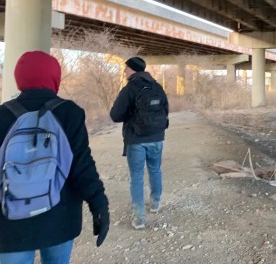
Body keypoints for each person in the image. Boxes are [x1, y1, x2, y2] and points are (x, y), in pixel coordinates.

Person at [0, 51, 109, 264]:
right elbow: (82, 166)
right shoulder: (69, 112)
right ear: (54, 77)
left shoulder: (2, 115)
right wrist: (99, 204)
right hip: (59, 218)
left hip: (11, 223)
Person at [110, 56, 168, 230]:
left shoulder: (129, 89)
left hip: (136, 139)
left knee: (136, 177)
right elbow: (165, 110)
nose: (124, 71)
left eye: (126, 68)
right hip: (157, 137)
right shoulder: (157, 86)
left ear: (133, 69)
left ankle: (140, 218)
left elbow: (115, 115)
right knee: (155, 170)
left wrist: (129, 115)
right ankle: (155, 204)